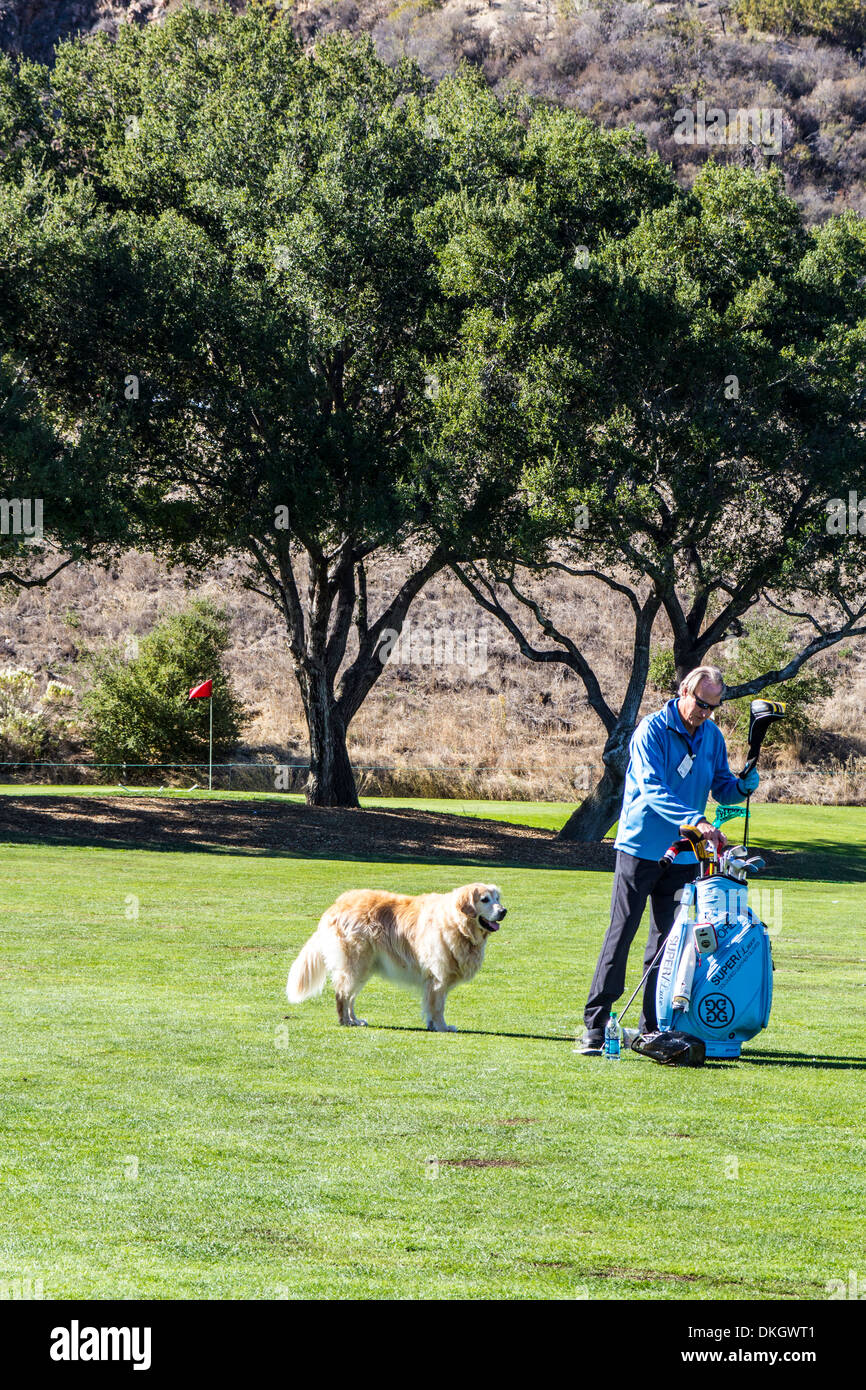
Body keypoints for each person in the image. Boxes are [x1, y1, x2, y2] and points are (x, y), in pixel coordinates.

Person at [579, 665, 760, 1055]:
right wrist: (695, 819)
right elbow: (652, 787)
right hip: (640, 849)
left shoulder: (711, 736)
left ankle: (651, 1028)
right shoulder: (651, 730)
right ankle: (595, 1025)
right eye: (700, 704)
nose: (704, 714)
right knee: (621, 934)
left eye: (712, 708)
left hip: (683, 856)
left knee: (669, 943)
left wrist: (742, 785)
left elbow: (722, 786)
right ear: (683, 691)